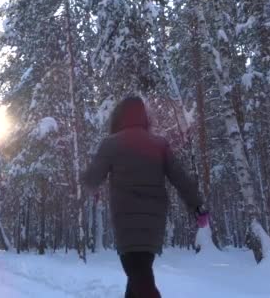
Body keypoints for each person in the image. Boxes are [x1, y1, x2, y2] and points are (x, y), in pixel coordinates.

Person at [83, 96, 209, 298]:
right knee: (137, 280)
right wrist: (197, 206)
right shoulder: (158, 144)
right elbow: (180, 177)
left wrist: (87, 182)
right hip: (153, 226)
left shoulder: (111, 144)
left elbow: (91, 178)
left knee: (141, 282)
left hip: (127, 225)